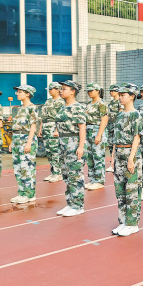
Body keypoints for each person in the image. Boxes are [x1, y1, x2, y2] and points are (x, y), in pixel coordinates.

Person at [111, 83, 143, 236]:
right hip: (119, 153)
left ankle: (132, 223)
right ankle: (123, 221)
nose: (120, 97)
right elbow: (114, 138)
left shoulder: (136, 114)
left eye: (123, 95)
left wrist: (131, 159)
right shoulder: (119, 114)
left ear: (132, 96)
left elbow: (137, 137)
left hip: (131, 152)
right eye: (120, 94)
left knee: (131, 190)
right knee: (120, 190)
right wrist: (112, 158)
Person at [55, 80, 87, 217]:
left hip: (73, 142)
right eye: (61, 89)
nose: (61, 91)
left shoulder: (77, 107)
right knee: (67, 175)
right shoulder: (63, 107)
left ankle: (78, 205)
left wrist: (81, 146)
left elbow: (82, 127)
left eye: (64, 89)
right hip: (63, 143)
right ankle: (70, 203)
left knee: (75, 175)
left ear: (73, 91)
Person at [9, 85, 39, 204]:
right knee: (18, 168)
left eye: (20, 92)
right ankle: (22, 192)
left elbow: (33, 126)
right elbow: (16, 127)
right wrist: (12, 141)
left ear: (28, 94)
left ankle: (30, 194)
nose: (17, 94)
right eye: (17, 92)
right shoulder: (20, 108)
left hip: (26, 138)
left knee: (27, 167)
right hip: (17, 138)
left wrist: (29, 142)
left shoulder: (32, 108)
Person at [84, 83, 108, 190]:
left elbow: (104, 120)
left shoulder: (102, 104)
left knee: (98, 156)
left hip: (97, 129)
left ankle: (99, 180)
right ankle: (92, 179)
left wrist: (99, 135)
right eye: (88, 91)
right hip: (88, 130)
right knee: (89, 156)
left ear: (98, 91)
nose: (89, 92)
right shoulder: (88, 104)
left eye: (91, 90)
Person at [40, 82, 65, 182]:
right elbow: (43, 116)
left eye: (51, 89)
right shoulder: (48, 101)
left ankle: (58, 173)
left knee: (55, 151)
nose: (50, 91)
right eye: (49, 89)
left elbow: (61, 117)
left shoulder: (61, 102)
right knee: (48, 151)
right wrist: (40, 128)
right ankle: (53, 172)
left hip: (54, 126)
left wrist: (57, 129)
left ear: (57, 89)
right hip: (46, 127)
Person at [106, 84, 121, 173]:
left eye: (113, 91)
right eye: (110, 91)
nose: (111, 92)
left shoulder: (120, 102)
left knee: (116, 145)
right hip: (110, 126)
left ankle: (116, 164)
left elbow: (120, 114)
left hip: (116, 126)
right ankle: (112, 163)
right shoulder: (111, 102)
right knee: (111, 144)